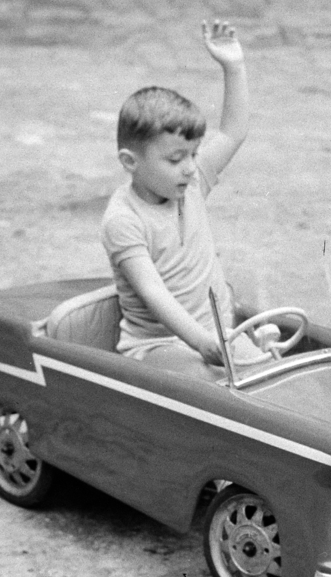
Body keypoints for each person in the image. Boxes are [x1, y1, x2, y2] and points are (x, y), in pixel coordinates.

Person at [101, 19, 263, 373]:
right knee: (205, 383)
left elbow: (234, 132)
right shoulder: (123, 220)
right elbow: (153, 292)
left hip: (216, 333)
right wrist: (203, 344)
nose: (191, 167)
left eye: (193, 154)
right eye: (175, 159)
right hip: (158, 346)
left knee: (271, 372)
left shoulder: (189, 184)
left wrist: (233, 66)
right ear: (131, 162)